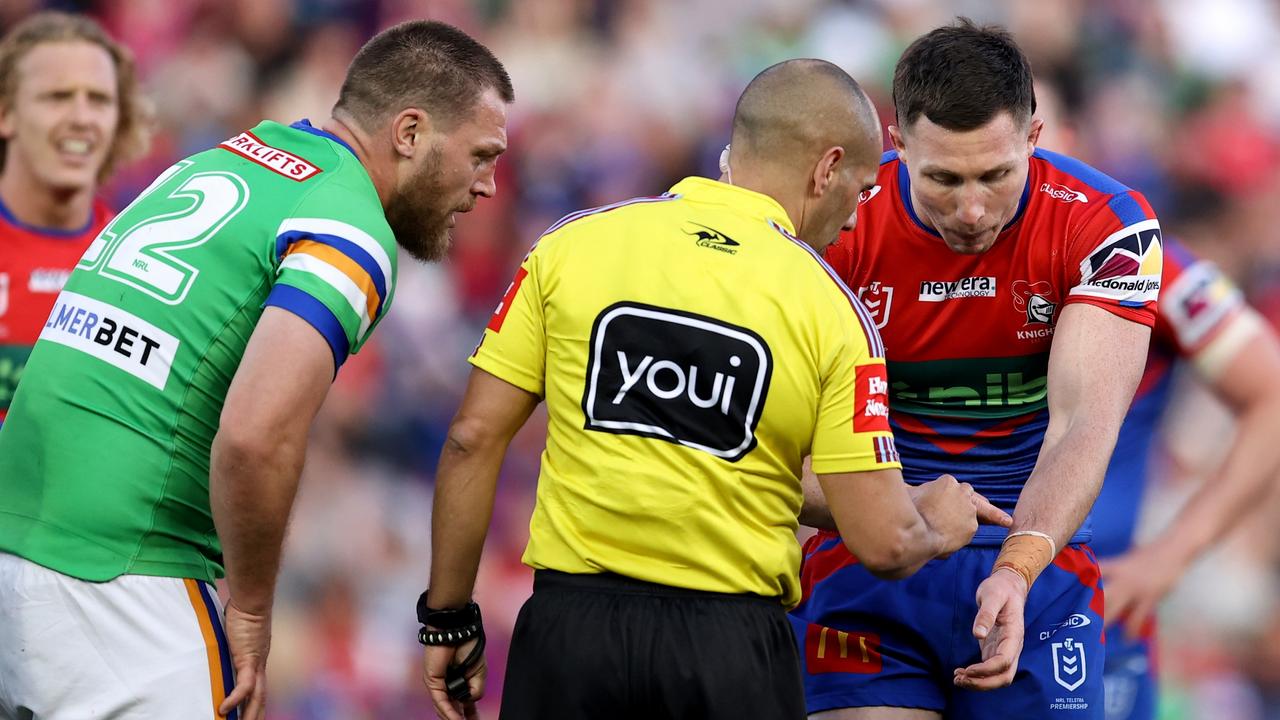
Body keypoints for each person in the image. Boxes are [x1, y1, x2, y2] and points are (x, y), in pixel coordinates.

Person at [421, 59, 1008, 720]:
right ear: (826, 169)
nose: (853, 220)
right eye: (862, 188)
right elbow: (885, 544)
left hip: (568, 635)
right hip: (730, 651)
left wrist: (446, 617)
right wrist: (937, 526)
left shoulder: (572, 246)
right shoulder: (830, 310)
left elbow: (472, 438)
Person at [0, 19, 512, 720]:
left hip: (16, 549)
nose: (488, 186)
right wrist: (251, 608)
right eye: (481, 155)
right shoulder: (350, 223)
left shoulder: (226, 159)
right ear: (411, 133)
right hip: (125, 578)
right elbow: (254, 437)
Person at [791, 19, 1161, 718]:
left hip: (1037, 564)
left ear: (1034, 138)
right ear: (896, 146)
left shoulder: (1106, 225)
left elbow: (1083, 426)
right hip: (873, 558)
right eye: (942, 179)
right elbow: (778, 440)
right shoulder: (837, 225)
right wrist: (891, 517)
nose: (971, 209)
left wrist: (1017, 570)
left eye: (996, 175)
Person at [1032, 81, 1280, 720]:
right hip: (925, 604)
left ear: (1067, 148)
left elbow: (1271, 393)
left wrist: (1172, 556)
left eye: (1029, 142)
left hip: (1092, 608)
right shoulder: (890, 259)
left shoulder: (1150, 268)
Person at [0, 11, 149, 425]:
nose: (82, 117)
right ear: (5, 114)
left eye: (99, 99)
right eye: (58, 97)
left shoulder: (140, 267)